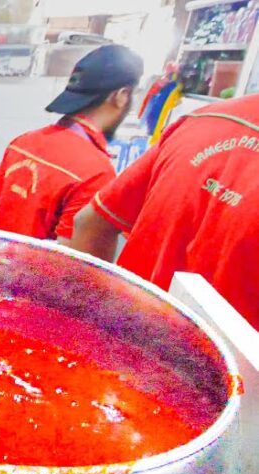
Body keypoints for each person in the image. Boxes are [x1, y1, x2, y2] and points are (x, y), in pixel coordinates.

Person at [71, 94, 259, 329]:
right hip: (213, 363)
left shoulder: (203, 120)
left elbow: (88, 224)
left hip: (120, 344)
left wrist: (83, 330)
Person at [0, 45, 144, 242]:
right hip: (35, 272)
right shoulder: (96, 172)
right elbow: (72, 258)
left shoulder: (24, 142)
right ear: (121, 96)